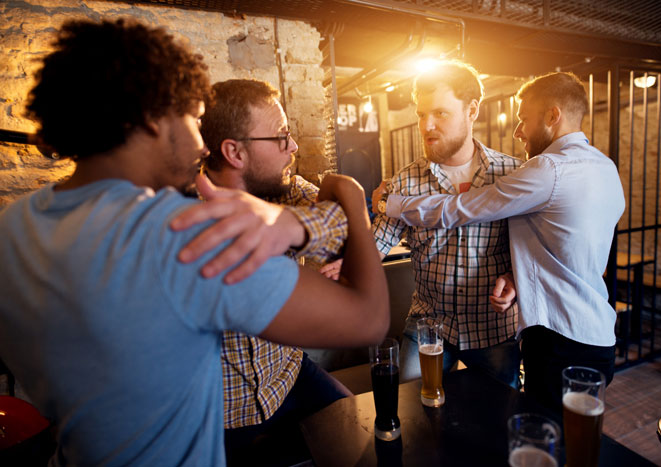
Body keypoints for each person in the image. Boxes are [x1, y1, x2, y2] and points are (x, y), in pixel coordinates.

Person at [0, 19, 389, 466]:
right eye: (194, 120)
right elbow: (370, 319)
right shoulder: (181, 235)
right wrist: (353, 196)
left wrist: (297, 225)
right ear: (150, 121)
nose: (201, 145)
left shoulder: (14, 224)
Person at [380, 71, 625, 412]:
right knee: (564, 432)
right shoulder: (606, 167)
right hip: (597, 334)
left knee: (544, 434)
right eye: (421, 115)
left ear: (553, 116)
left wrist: (388, 202)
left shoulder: (545, 170)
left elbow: (462, 207)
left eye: (524, 118)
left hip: (555, 337)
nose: (518, 130)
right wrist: (514, 278)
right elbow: (566, 250)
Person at [198, 78, 351, 462]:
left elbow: (341, 215)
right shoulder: (176, 217)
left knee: (364, 437)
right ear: (234, 151)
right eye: (281, 136)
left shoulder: (285, 189)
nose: (293, 147)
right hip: (217, 410)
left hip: (287, 375)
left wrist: (334, 248)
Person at [368, 60, 523, 387]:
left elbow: (533, 251)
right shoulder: (404, 182)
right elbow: (373, 249)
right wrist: (341, 260)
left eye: (440, 113)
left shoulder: (512, 175)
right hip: (427, 325)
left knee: (497, 420)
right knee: (410, 413)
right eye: (421, 114)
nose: (426, 126)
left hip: (493, 327)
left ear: (472, 110)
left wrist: (514, 280)